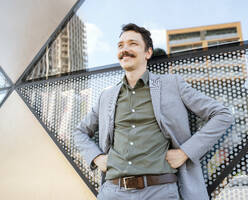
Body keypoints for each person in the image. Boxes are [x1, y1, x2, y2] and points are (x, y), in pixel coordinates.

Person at [73, 23, 234, 200]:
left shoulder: (173, 84)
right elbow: (79, 132)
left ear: (147, 53)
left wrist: (185, 153)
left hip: (160, 191)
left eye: (132, 44)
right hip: (113, 192)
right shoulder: (106, 96)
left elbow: (222, 115)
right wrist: (96, 157)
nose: (125, 49)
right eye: (121, 45)